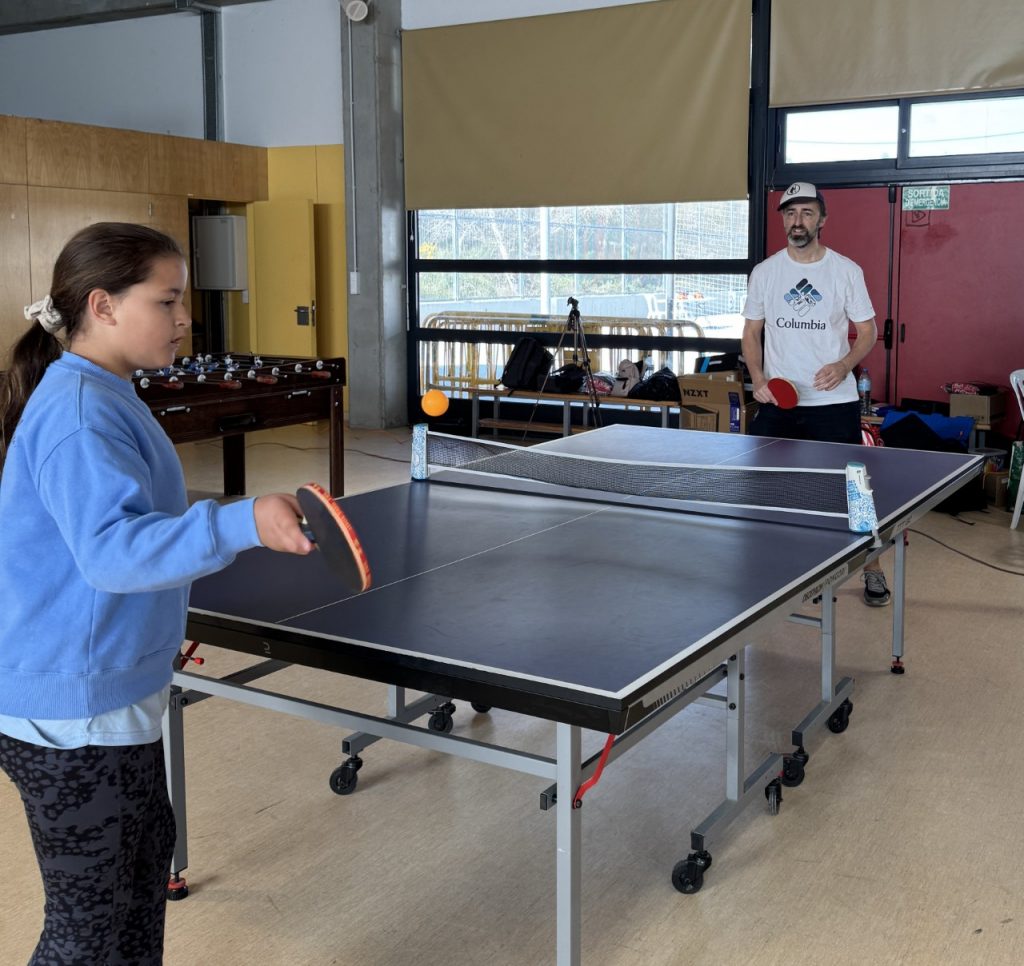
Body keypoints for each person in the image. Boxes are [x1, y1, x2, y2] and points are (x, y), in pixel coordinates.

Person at [0, 222, 315, 964]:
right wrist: (242, 522)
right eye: (167, 301)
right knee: (89, 932)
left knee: (138, 894)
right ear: (103, 306)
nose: (184, 320)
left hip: (106, 699)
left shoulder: (106, 392)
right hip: (75, 716)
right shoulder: (80, 413)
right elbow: (112, 551)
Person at [741, 182, 891, 607]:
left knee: (853, 490)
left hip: (833, 403)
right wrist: (758, 377)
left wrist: (844, 365)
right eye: (790, 213)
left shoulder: (845, 271)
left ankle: (873, 567)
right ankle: (780, 569)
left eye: (807, 213)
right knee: (765, 489)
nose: (798, 221)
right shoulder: (765, 272)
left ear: (822, 219)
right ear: (783, 220)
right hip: (779, 403)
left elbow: (867, 332)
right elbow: (751, 332)